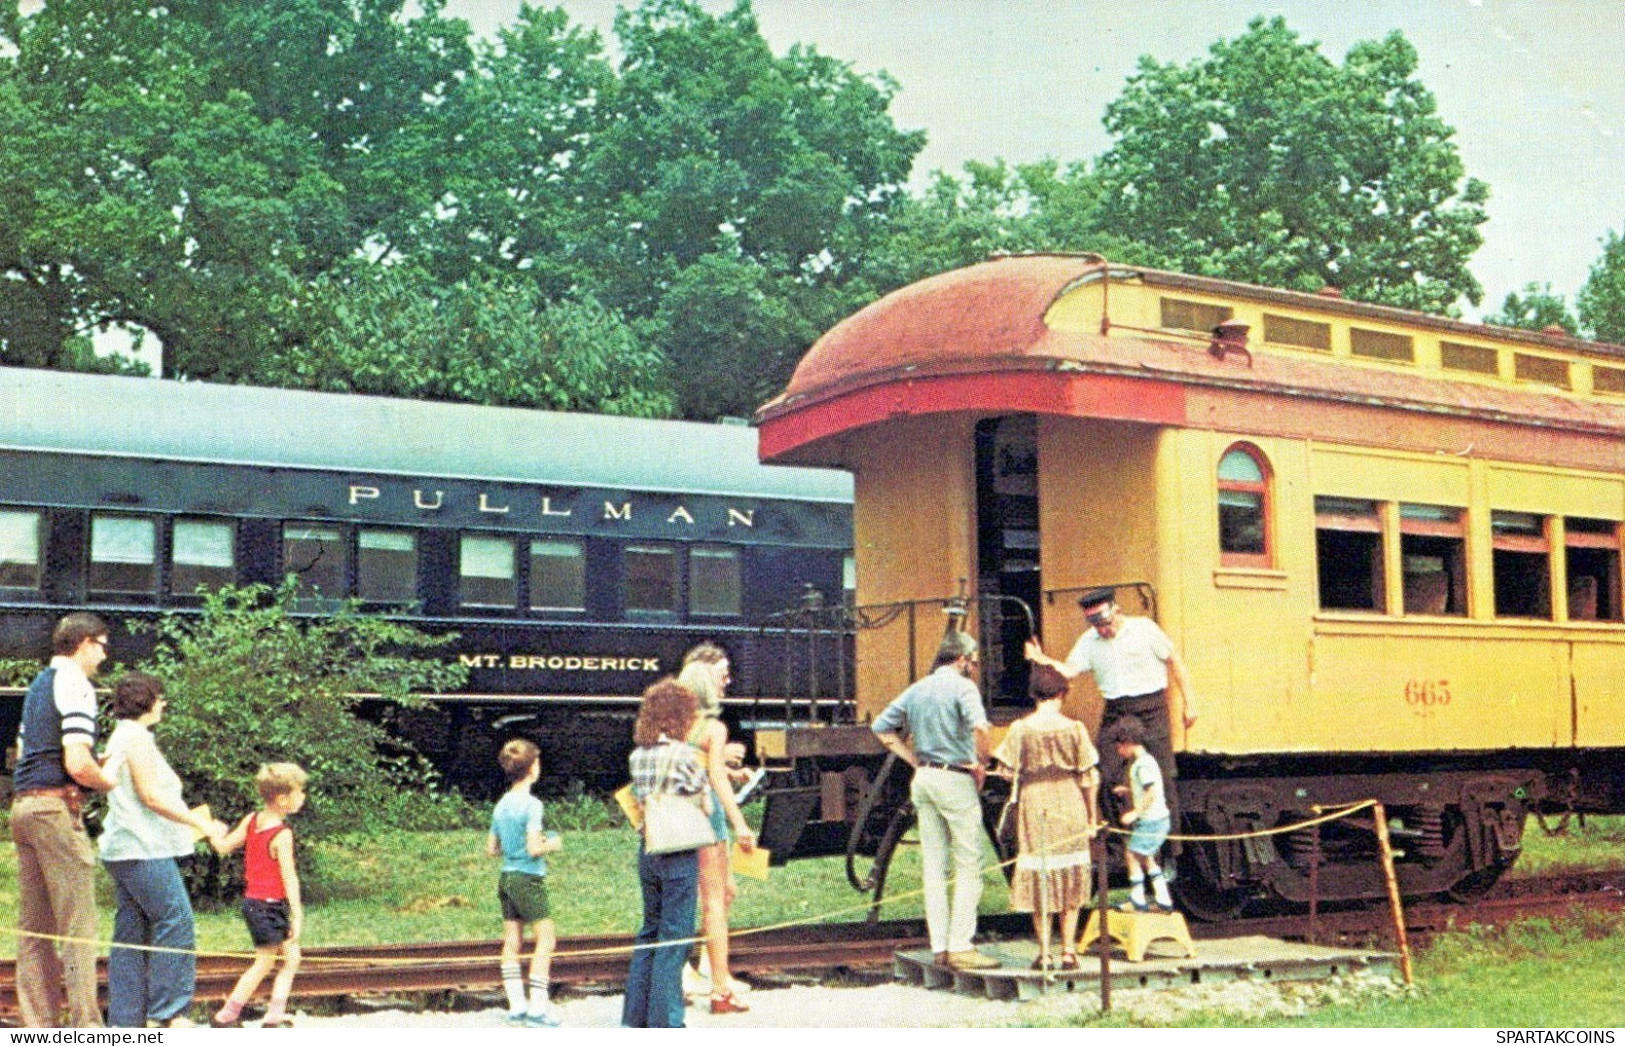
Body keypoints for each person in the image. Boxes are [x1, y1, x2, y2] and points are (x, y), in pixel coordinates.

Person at [99, 672, 226, 1028]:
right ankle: (169, 1013)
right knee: (176, 918)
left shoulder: (124, 735)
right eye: (160, 696)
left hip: (125, 848)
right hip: (142, 848)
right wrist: (199, 823)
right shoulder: (135, 738)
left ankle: (126, 1023)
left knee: (132, 932)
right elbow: (151, 796)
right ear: (147, 701)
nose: (164, 703)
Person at [10, 612, 119, 1027]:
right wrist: (106, 779)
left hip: (25, 807)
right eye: (104, 647)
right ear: (86, 642)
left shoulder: (39, 686)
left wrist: (89, 764)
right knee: (78, 925)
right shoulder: (77, 683)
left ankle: (39, 1027)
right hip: (57, 810)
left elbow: (27, 754)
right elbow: (77, 762)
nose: (104, 658)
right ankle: (86, 1028)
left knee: (35, 927)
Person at [871, 630, 997, 970]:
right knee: (970, 862)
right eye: (972, 661)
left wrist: (912, 760)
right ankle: (961, 946)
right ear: (961, 660)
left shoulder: (918, 688)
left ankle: (940, 945)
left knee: (934, 866)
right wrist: (982, 764)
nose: (974, 667)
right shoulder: (964, 688)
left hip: (923, 778)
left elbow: (881, 728)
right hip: (955, 778)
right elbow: (981, 729)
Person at [1025, 586, 1197, 829]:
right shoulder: (1089, 641)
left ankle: (1170, 853)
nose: (1102, 629)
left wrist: (1190, 703)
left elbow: (1175, 662)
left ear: (1116, 610)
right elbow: (1069, 672)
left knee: (1163, 776)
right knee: (1106, 773)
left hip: (1151, 707)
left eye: (1105, 622)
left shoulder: (1144, 629)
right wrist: (1041, 659)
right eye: (1095, 624)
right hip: (1116, 709)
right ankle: (1123, 837)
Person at [991, 663, 1100, 971]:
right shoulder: (1075, 729)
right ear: (1063, 693)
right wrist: (1091, 818)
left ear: (1032, 694)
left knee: (1041, 876)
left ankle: (1044, 952)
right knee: (1070, 878)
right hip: (1069, 801)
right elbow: (1089, 778)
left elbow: (1006, 770)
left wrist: (1007, 771)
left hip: (1034, 802)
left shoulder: (1020, 729)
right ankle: (1068, 952)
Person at [622, 679, 710, 1028]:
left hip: (649, 848)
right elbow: (704, 802)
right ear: (681, 718)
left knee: (650, 930)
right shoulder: (685, 755)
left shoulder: (637, 756)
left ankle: (635, 1019)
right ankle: (667, 1023)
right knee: (676, 935)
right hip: (678, 850)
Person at [674, 643, 756, 1014]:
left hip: (681, 816)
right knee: (714, 900)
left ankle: (705, 968)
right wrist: (742, 825)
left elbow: (695, 765)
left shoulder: (674, 724)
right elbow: (717, 783)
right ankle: (717, 985)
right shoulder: (712, 727)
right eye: (721, 675)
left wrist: (723, 766)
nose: (728, 681)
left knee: (723, 894)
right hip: (710, 819)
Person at [209, 763, 309, 1029]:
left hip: (255, 905)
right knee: (264, 963)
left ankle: (274, 1018)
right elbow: (289, 877)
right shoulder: (282, 834)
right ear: (283, 799)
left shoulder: (252, 820)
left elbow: (223, 846)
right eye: (300, 792)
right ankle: (226, 1016)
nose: (303, 797)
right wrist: (297, 916)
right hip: (269, 907)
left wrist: (213, 831)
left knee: (291, 959)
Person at [486, 739, 563, 1027]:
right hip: (528, 878)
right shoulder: (533, 805)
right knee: (546, 939)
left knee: (512, 941)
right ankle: (538, 1009)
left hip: (506, 877)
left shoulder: (502, 804)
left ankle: (517, 1005)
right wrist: (552, 843)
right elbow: (534, 848)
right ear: (532, 769)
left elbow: (492, 848)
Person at [1106, 716, 1175, 913]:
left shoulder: (1141, 765)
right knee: (1147, 858)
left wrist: (1134, 813)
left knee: (1131, 854)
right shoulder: (1147, 761)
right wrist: (1128, 791)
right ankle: (1163, 899)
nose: (1118, 751)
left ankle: (1137, 899)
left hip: (1151, 821)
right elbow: (1147, 789)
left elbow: (1151, 792)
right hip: (1156, 819)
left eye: (1119, 746)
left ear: (1127, 742)